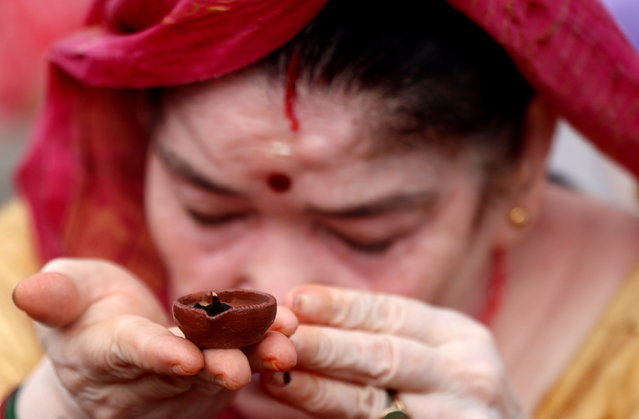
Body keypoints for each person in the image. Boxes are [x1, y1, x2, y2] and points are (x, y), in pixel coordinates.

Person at [1, 0, 639, 417]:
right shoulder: (40, 282)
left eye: (367, 234)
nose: (274, 297)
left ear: (523, 164)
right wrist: (47, 407)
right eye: (209, 211)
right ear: (144, 136)